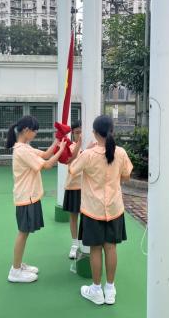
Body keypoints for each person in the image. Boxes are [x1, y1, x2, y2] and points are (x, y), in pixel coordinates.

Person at [69, 115, 133, 305]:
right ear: (112, 130)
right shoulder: (120, 152)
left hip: (92, 209)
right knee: (111, 247)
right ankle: (110, 289)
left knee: (95, 249)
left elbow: (72, 169)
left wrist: (85, 151)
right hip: (114, 208)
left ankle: (96, 290)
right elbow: (127, 176)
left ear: (95, 133)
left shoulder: (88, 154)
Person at [6, 115, 67, 283]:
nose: (36, 134)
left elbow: (46, 154)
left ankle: (18, 265)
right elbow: (46, 165)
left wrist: (58, 140)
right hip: (26, 196)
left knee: (24, 233)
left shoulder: (25, 147)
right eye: (35, 131)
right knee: (23, 233)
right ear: (26, 130)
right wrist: (61, 150)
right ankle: (15, 271)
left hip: (28, 195)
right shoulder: (22, 150)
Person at [61, 120, 83, 259]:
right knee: (74, 216)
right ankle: (75, 244)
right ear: (73, 134)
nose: (79, 135)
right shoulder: (71, 146)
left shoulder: (94, 146)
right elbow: (71, 160)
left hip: (88, 187)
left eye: (81, 132)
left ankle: (85, 243)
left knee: (88, 218)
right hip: (73, 186)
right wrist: (80, 146)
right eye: (76, 132)